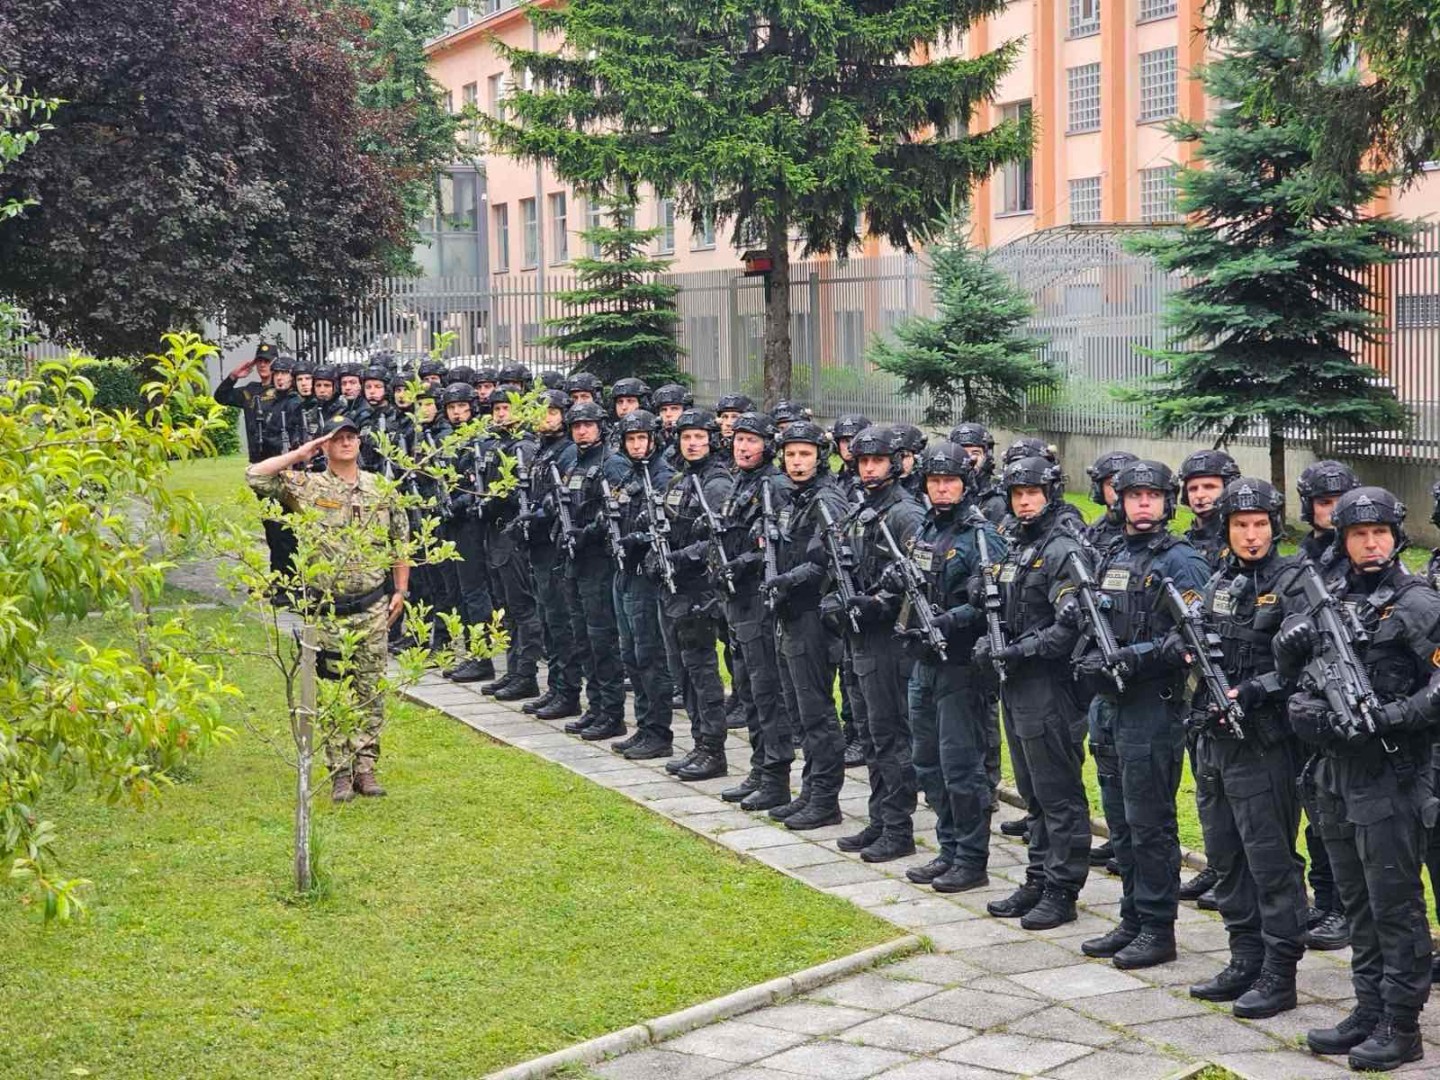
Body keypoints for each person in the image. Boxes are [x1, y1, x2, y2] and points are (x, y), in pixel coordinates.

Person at [1276, 487, 1440, 1072]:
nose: (1371, 544)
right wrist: (1304, 703)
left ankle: (1402, 1024)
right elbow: (1297, 677)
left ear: (1396, 536)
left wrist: (1388, 719)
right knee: (1356, 903)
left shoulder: (1419, 603)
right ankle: (1368, 1008)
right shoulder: (1330, 598)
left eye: (1380, 534)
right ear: (1342, 540)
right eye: (1358, 535)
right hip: (1334, 776)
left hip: (1392, 777)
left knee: (1394, 905)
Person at [1179, 478, 1308, 1020]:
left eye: (1259, 525)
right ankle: (1244, 957)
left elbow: (1310, 665)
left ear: (1274, 526)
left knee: (1270, 861)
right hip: (1213, 742)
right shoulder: (1219, 581)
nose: (1251, 536)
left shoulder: (1298, 582)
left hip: (1263, 744)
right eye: (1240, 526)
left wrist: (1257, 689)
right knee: (1227, 857)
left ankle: (1279, 972)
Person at [1077, 459, 1211, 969]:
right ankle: (1132, 916)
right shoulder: (1112, 553)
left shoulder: (1182, 562)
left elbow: (1194, 636)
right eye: (1134, 496)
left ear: (1166, 502)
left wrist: (1140, 655)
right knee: (1120, 820)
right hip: (1108, 705)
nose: (1143, 505)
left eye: (1153, 496)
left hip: (1152, 708)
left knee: (1150, 821)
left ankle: (1157, 926)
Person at [246, 415, 410, 802]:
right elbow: (256, 476)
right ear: (326, 445)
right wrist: (302, 453)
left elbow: (400, 543)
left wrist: (400, 589)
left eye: (352, 437)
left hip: (372, 606)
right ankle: (338, 771)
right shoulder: (308, 486)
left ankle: (366, 769)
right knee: (333, 690)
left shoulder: (381, 488)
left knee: (369, 691)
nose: (346, 443)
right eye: (338, 438)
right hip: (327, 611)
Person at [975, 455, 1090, 928]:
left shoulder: (1063, 548)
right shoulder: (1016, 545)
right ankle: (1039, 875)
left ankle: (1063, 887)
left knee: (1058, 793)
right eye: (1018, 494)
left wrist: (1024, 650)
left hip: (1050, 686)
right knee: (1032, 792)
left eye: (1033, 494)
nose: (1025, 502)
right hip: (1016, 684)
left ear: (1050, 494)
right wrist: (990, 638)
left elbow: (1072, 624)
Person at [902, 441, 1007, 892]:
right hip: (923, 662)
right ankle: (948, 848)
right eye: (934, 481)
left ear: (965, 484)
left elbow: (991, 604)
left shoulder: (982, 536)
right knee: (928, 763)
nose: (942, 489)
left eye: (950, 482)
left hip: (961, 665)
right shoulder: (926, 527)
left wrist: (950, 619)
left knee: (961, 766)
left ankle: (971, 856)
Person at [828, 425, 923, 864]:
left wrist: (877, 604)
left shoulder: (904, 512)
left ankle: (898, 826)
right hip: (858, 635)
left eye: (877, 462)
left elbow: (915, 583)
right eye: (863, 462)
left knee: (889, 736)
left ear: (894, 463)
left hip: (887, 641)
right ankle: (880, 818)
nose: (868, 469)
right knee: (867, 733)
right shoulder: (864, 507)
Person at [762, 420, 848, 830]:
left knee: (816, 711)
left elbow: (826, 561)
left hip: (814, 615)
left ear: (820, 458)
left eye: (805, 455)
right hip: (789, 613)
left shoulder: (827, 500)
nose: (797, 462)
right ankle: (810, 790)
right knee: (798, 710)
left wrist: (789, 581)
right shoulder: (792, 498)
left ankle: (826, 798)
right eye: (791, 455)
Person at [713, 411, 796, 811]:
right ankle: (760, 767)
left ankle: (776, 776)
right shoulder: (740, 481)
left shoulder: (774, 487)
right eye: (739, 440)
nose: (743, 447)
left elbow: (774, 545)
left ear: (767, 445)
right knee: (747, 689)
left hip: (759, 603)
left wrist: (744, 561)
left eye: (752, 441)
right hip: (736, 600)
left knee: (767, 692)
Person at [661, 407, 733, 781]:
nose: (692, 443)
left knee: (702, 673)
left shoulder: (716, 482)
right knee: (684, 672)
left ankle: (713, 748)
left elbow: (715, 540)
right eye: (686, 437)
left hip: (700, 591)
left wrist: (679, 555)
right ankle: (698, 741)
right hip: (675, 590)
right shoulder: (680, 479)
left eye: (699, 438)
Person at [608, 409, 678, 760]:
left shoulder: (664, 478)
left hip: (646, 578)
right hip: (625, 573)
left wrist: (640, 537)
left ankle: (658, 731)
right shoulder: (631, 477)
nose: (637, 445)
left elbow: (668, 528)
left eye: (642, 439)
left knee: (650, 656)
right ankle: (644, 724)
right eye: (631, 440)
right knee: (630, 655)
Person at [558, 400, 630, 740]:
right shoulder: (572, 460)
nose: (581, 430)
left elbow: (616, 512)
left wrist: (587, 532)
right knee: (582, 637)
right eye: (576, 426)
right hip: (575, 560)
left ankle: (612, 712)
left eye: (587, 425)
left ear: (600, 426)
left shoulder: (612, 464)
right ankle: (596, 705)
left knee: (602, 640)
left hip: (598, 562)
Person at [517, 389, 588, 720]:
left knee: (560, 622)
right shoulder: (542, 451)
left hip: (557, 546)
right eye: (540, 413)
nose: (545, 418)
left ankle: (568, 691)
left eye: (552, 412)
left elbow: (563, 499)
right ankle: (556, 687)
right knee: (548, 619)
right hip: (540, 546)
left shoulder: (567, 453)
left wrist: (541, 513)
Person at [476, 385, 545, 701]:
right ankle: (514, 670)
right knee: (507, 608)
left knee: (522, 607)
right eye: (497, 409)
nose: (501, 413)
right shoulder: (498, 444)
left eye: (507, 408)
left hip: (514, 534)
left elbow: (522, 493)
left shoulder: (524, 447)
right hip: (497, 533)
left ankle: (526, 673)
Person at [437, 382, 496, 684]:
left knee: (475, 592)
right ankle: (472, 652)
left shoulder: (480, 441)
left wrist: (459, 503)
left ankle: (483, 656)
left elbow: (479, 487)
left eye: (462, 407)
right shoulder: (449, 440)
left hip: (472, 524)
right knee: (459, 591)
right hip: (453, 524)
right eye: (451, 408)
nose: (457, 413)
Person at [215, 342, 279, 463]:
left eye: (267, 361)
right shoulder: (250, 390)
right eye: (259, 361)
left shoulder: (282, 391)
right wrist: (233, 376)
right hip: (256, 458)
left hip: (278, 456)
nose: (262, 365)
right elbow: (221, 397)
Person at [1178, 448, 1241, 568]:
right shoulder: (1180, 545)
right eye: (1193, 489)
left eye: (1209, 487)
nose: (1200, 495)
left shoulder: (1242, 544)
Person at [949, 422, 1006, 524]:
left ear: (986, 457)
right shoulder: (942, 494)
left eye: (975, 453)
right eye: (962, 453)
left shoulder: (996, 503)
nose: (971, 459)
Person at [1083, 450, 1138, 553]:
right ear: (1099, 490)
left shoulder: (1154, 535)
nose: (1118, 489)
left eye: (1125, 483)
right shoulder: (1091, 534)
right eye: (1111, 483)